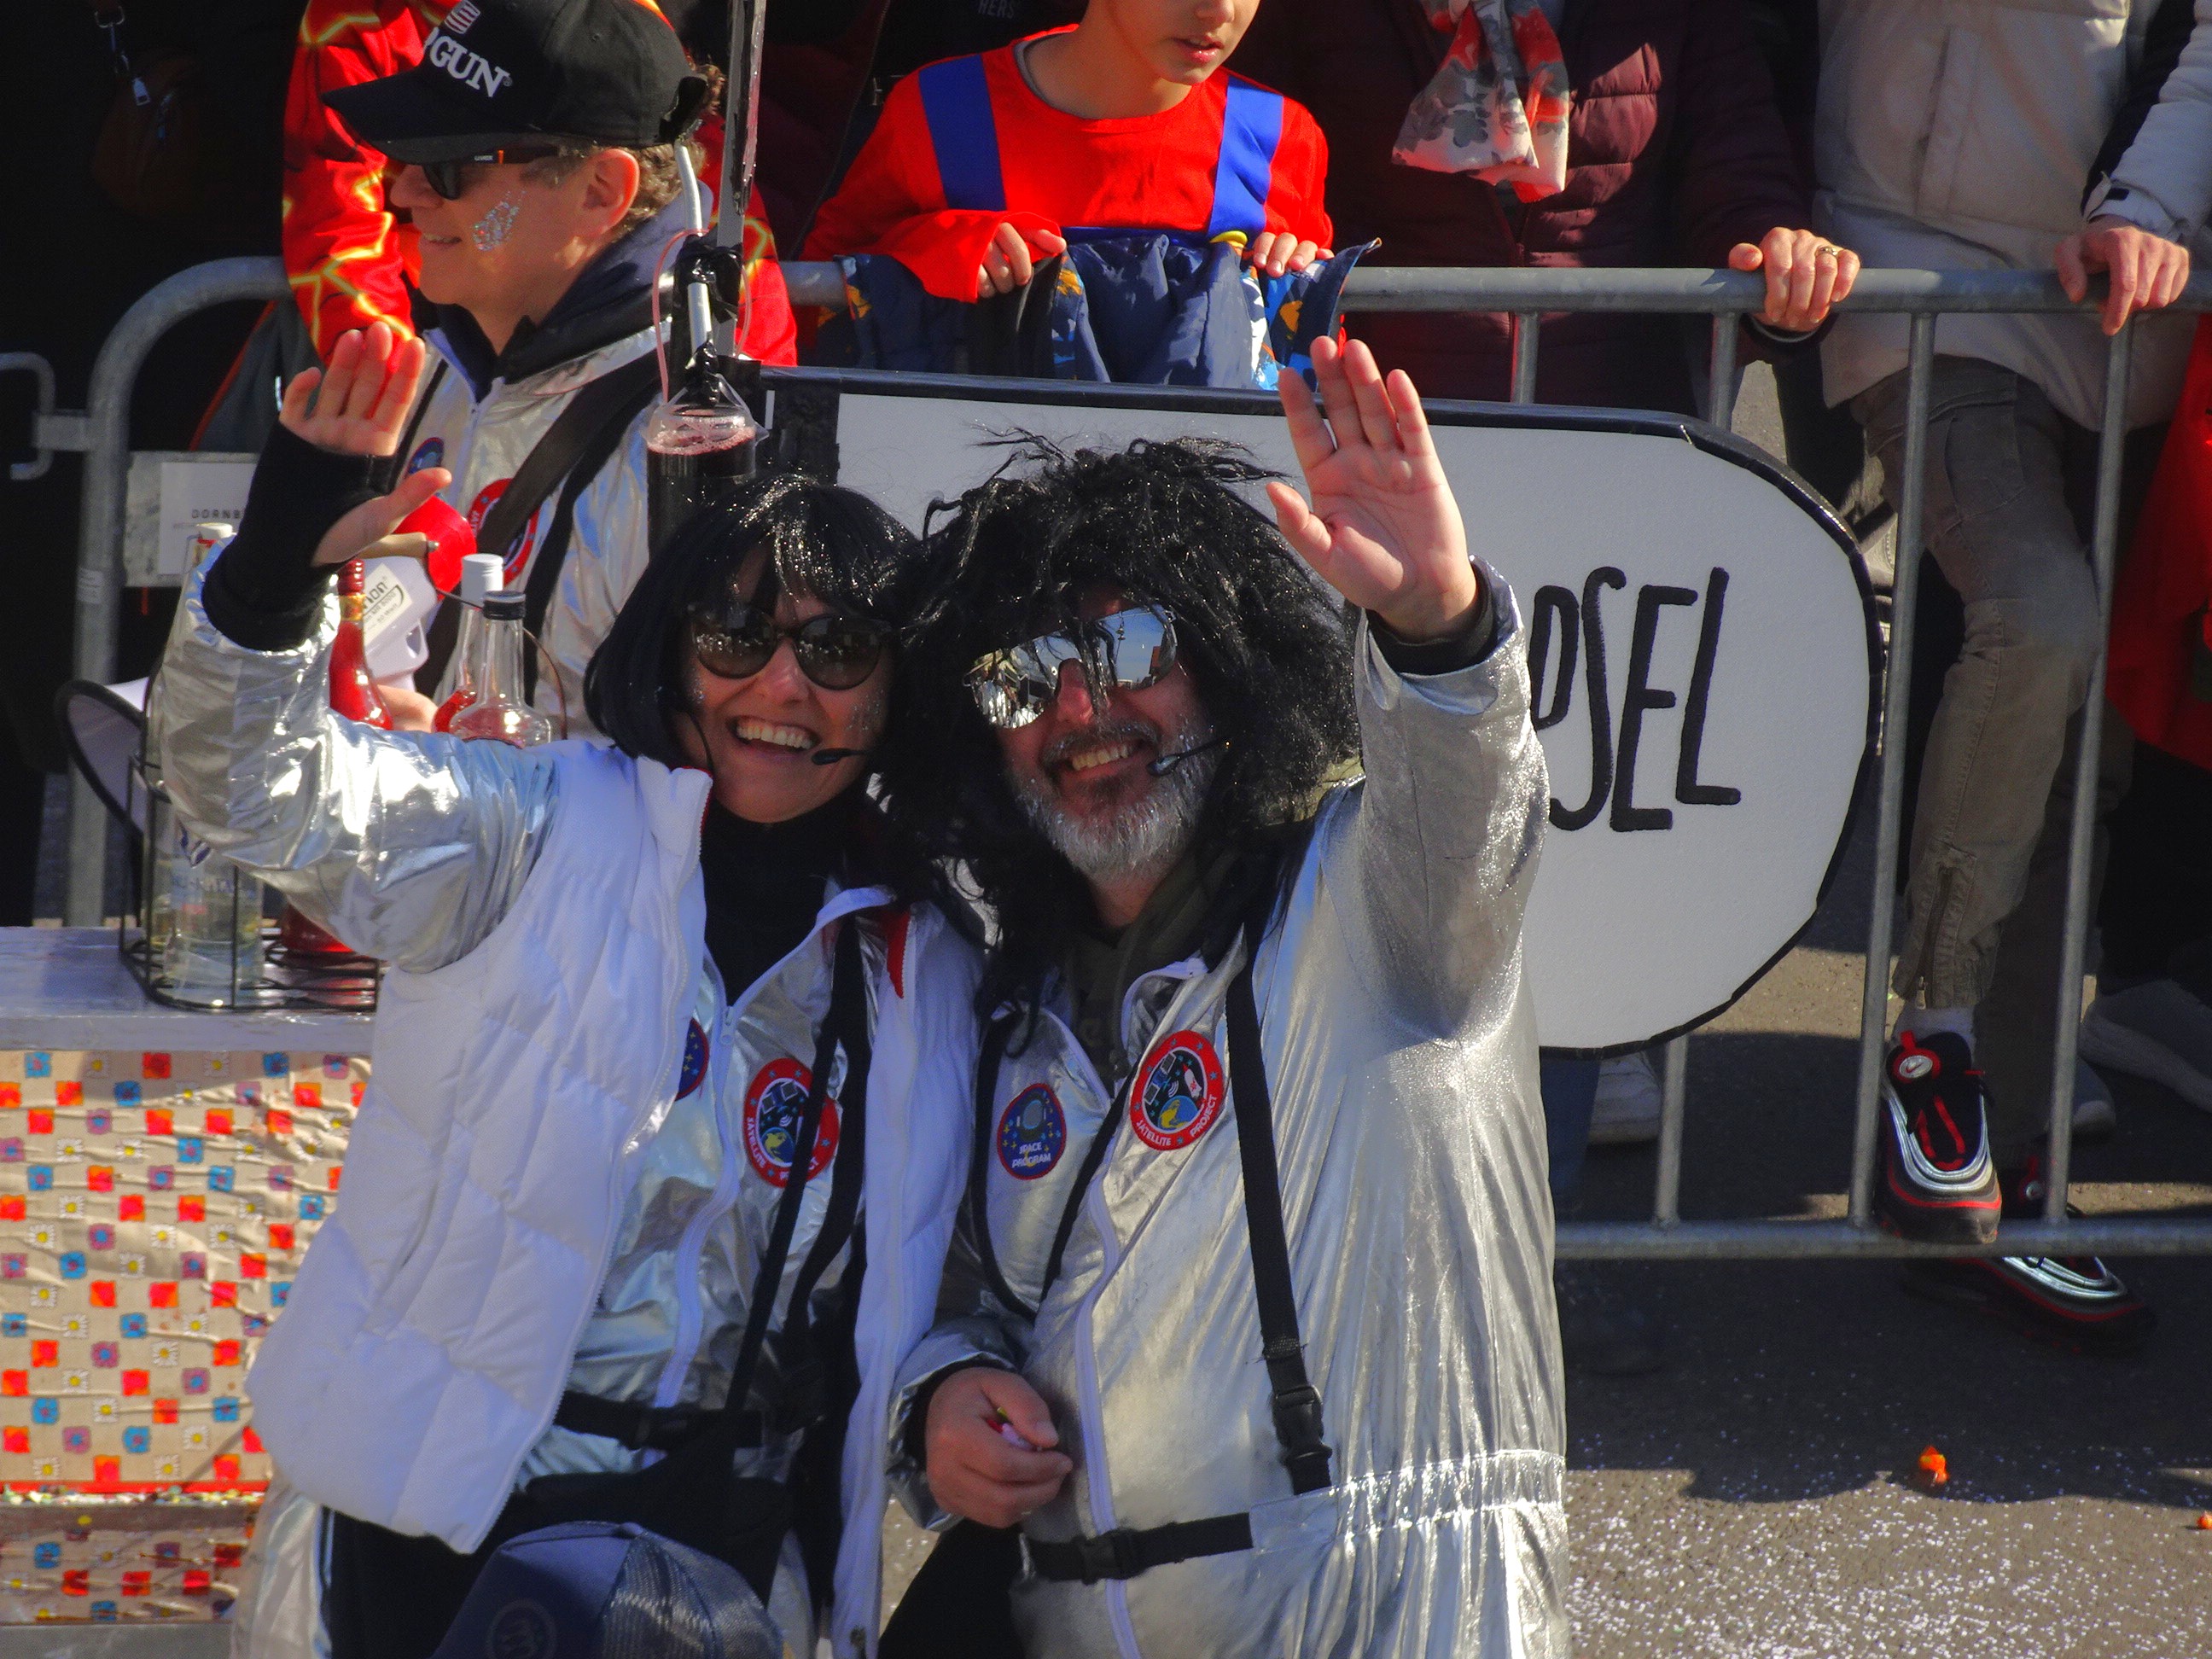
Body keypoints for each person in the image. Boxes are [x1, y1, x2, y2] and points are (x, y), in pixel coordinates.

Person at [157, 323, 979, 1659]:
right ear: (673, 654)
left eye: (838, 650)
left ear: (896, 696)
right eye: (735, 633)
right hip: (431, 1536)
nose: (781, 685)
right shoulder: (531, 831)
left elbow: (952, 1279)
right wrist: (272, 570)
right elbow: (249, 789)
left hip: (723, 1559)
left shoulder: (926, 957)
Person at [874, 336, 1563, 1656]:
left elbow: (1467, 802)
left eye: (1130, 645)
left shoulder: (1379, 912)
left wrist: (1440, 633)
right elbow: (966, 1301)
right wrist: (946, 1400)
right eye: (1020, 680)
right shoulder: (1013, 1016)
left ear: (1232, 667)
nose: (1082, 710)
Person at [1817, 0, 2196, 1350]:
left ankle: (2005, 1181)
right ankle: (1938, 1035)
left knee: (2080, 738)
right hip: (1910, 279)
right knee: (2036, 621)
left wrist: (2155, 202)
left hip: (2131, 306)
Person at [311, 0, 785, 734]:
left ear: (599, 192)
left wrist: (434, 765)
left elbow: (690, 775)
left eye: (447, 167)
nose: (401, 192)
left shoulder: (689, 442)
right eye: (403, 158)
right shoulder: (432, 371)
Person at [1232, 0, 1860, 413]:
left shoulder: (1676, 11)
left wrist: (1781, 262)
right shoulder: (1312, 12)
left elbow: (1737, 173)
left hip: (1616, 426)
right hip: (1377, 424)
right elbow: (1246, 152)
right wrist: (1273, 236)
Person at [804, 0, 1334, 305]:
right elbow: (817, 293)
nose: (1219, 10)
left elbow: (1318, 362)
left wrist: (1296, 278)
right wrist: (930, 246)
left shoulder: (1282, 133)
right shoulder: (943, 107)